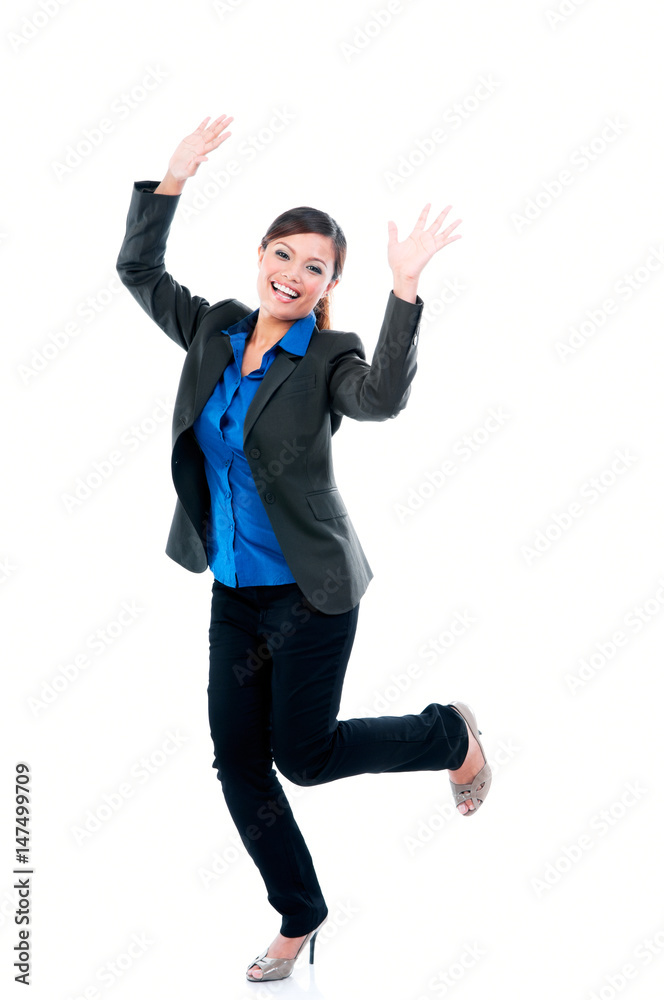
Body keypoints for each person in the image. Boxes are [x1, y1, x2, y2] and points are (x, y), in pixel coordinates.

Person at [116, 114, 492, 983]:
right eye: (282, 255)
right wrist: (170, 180)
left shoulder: (327, 357)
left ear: (328, 285)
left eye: (313, 267)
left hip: (311, 592)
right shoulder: (212, 329)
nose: (293, 274)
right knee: (236, 762)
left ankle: (447, 734)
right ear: (260, 257)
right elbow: (138, 269)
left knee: (303, 757)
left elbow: (386, 398)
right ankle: (301, 915)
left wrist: (404, 292)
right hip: (234, 588)